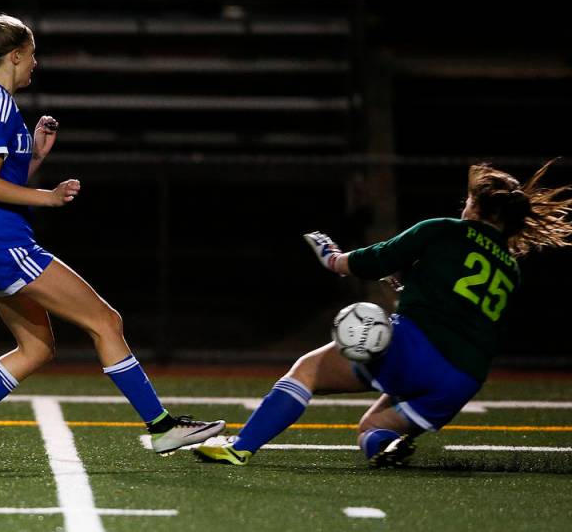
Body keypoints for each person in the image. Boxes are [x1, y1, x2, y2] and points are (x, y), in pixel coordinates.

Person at [0, 14, 224, 468]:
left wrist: (38, 156)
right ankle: (162, 427)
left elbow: (2, 177)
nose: (36, 64)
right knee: (106, 321)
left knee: (37, 349)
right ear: (17, 55)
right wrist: (46, 197)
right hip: (4, 245)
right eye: (33, 55)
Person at [195, 161, 572, 467]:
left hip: (415, 349)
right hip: (461, 380)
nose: (463, 206)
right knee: (372, 426)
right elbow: (464, 312)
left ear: (476, 207)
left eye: (468, 200)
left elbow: (372, 260)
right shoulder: (510, 268)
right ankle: (386, 447)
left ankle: (240, 447)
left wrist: (332, 256)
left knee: (306, 371)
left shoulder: (444, 230)